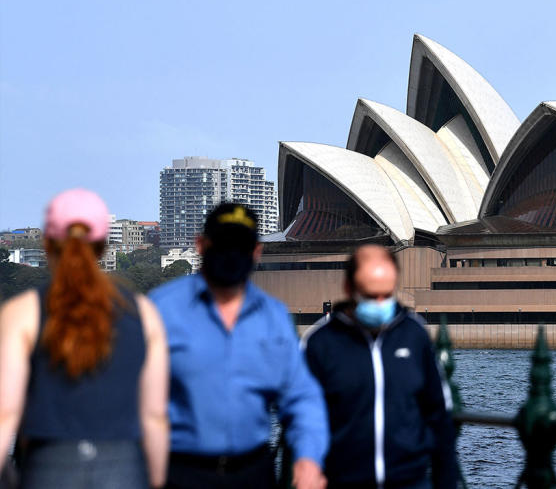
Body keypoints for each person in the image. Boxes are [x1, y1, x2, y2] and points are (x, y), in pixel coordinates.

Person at [149, 203, 328, 489]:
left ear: (256, 251)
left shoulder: (273, 316)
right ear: (201, 245)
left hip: (253, 472)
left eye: (240, 246)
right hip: (181, 472)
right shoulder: (161, 309)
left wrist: (308, 458)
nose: (232, 253)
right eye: (223, 244)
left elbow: (301, 397)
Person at [0, 188, 169, 488]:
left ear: (47, 244)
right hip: (124, 468)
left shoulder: (21, 313)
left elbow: (5, 413)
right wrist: (156, 480)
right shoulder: (143, 313)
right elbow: (155, 416)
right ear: (103, 246)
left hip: (47, 466)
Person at [302, 245, 459, 489]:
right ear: (348, 288)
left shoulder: (414, 334)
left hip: (410, 481)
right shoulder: (321, 342)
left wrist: (446, 482)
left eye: (386, 295)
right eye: (369, 295)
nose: (379, 303)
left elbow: (439, 414)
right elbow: (303, 415)